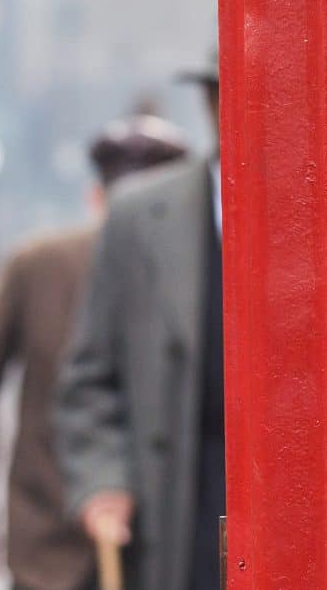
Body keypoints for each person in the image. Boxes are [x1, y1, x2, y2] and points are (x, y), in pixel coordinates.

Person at [0, 115, 189, 590]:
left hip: (162, 546)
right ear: (96, 199)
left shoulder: (199, 276)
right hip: (49, 544)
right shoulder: (37, 266)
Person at [55, 58, 223, 590]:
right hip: (176, 508)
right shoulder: (138, 214)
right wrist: (103, 482)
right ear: (210, 103)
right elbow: (89, 380)